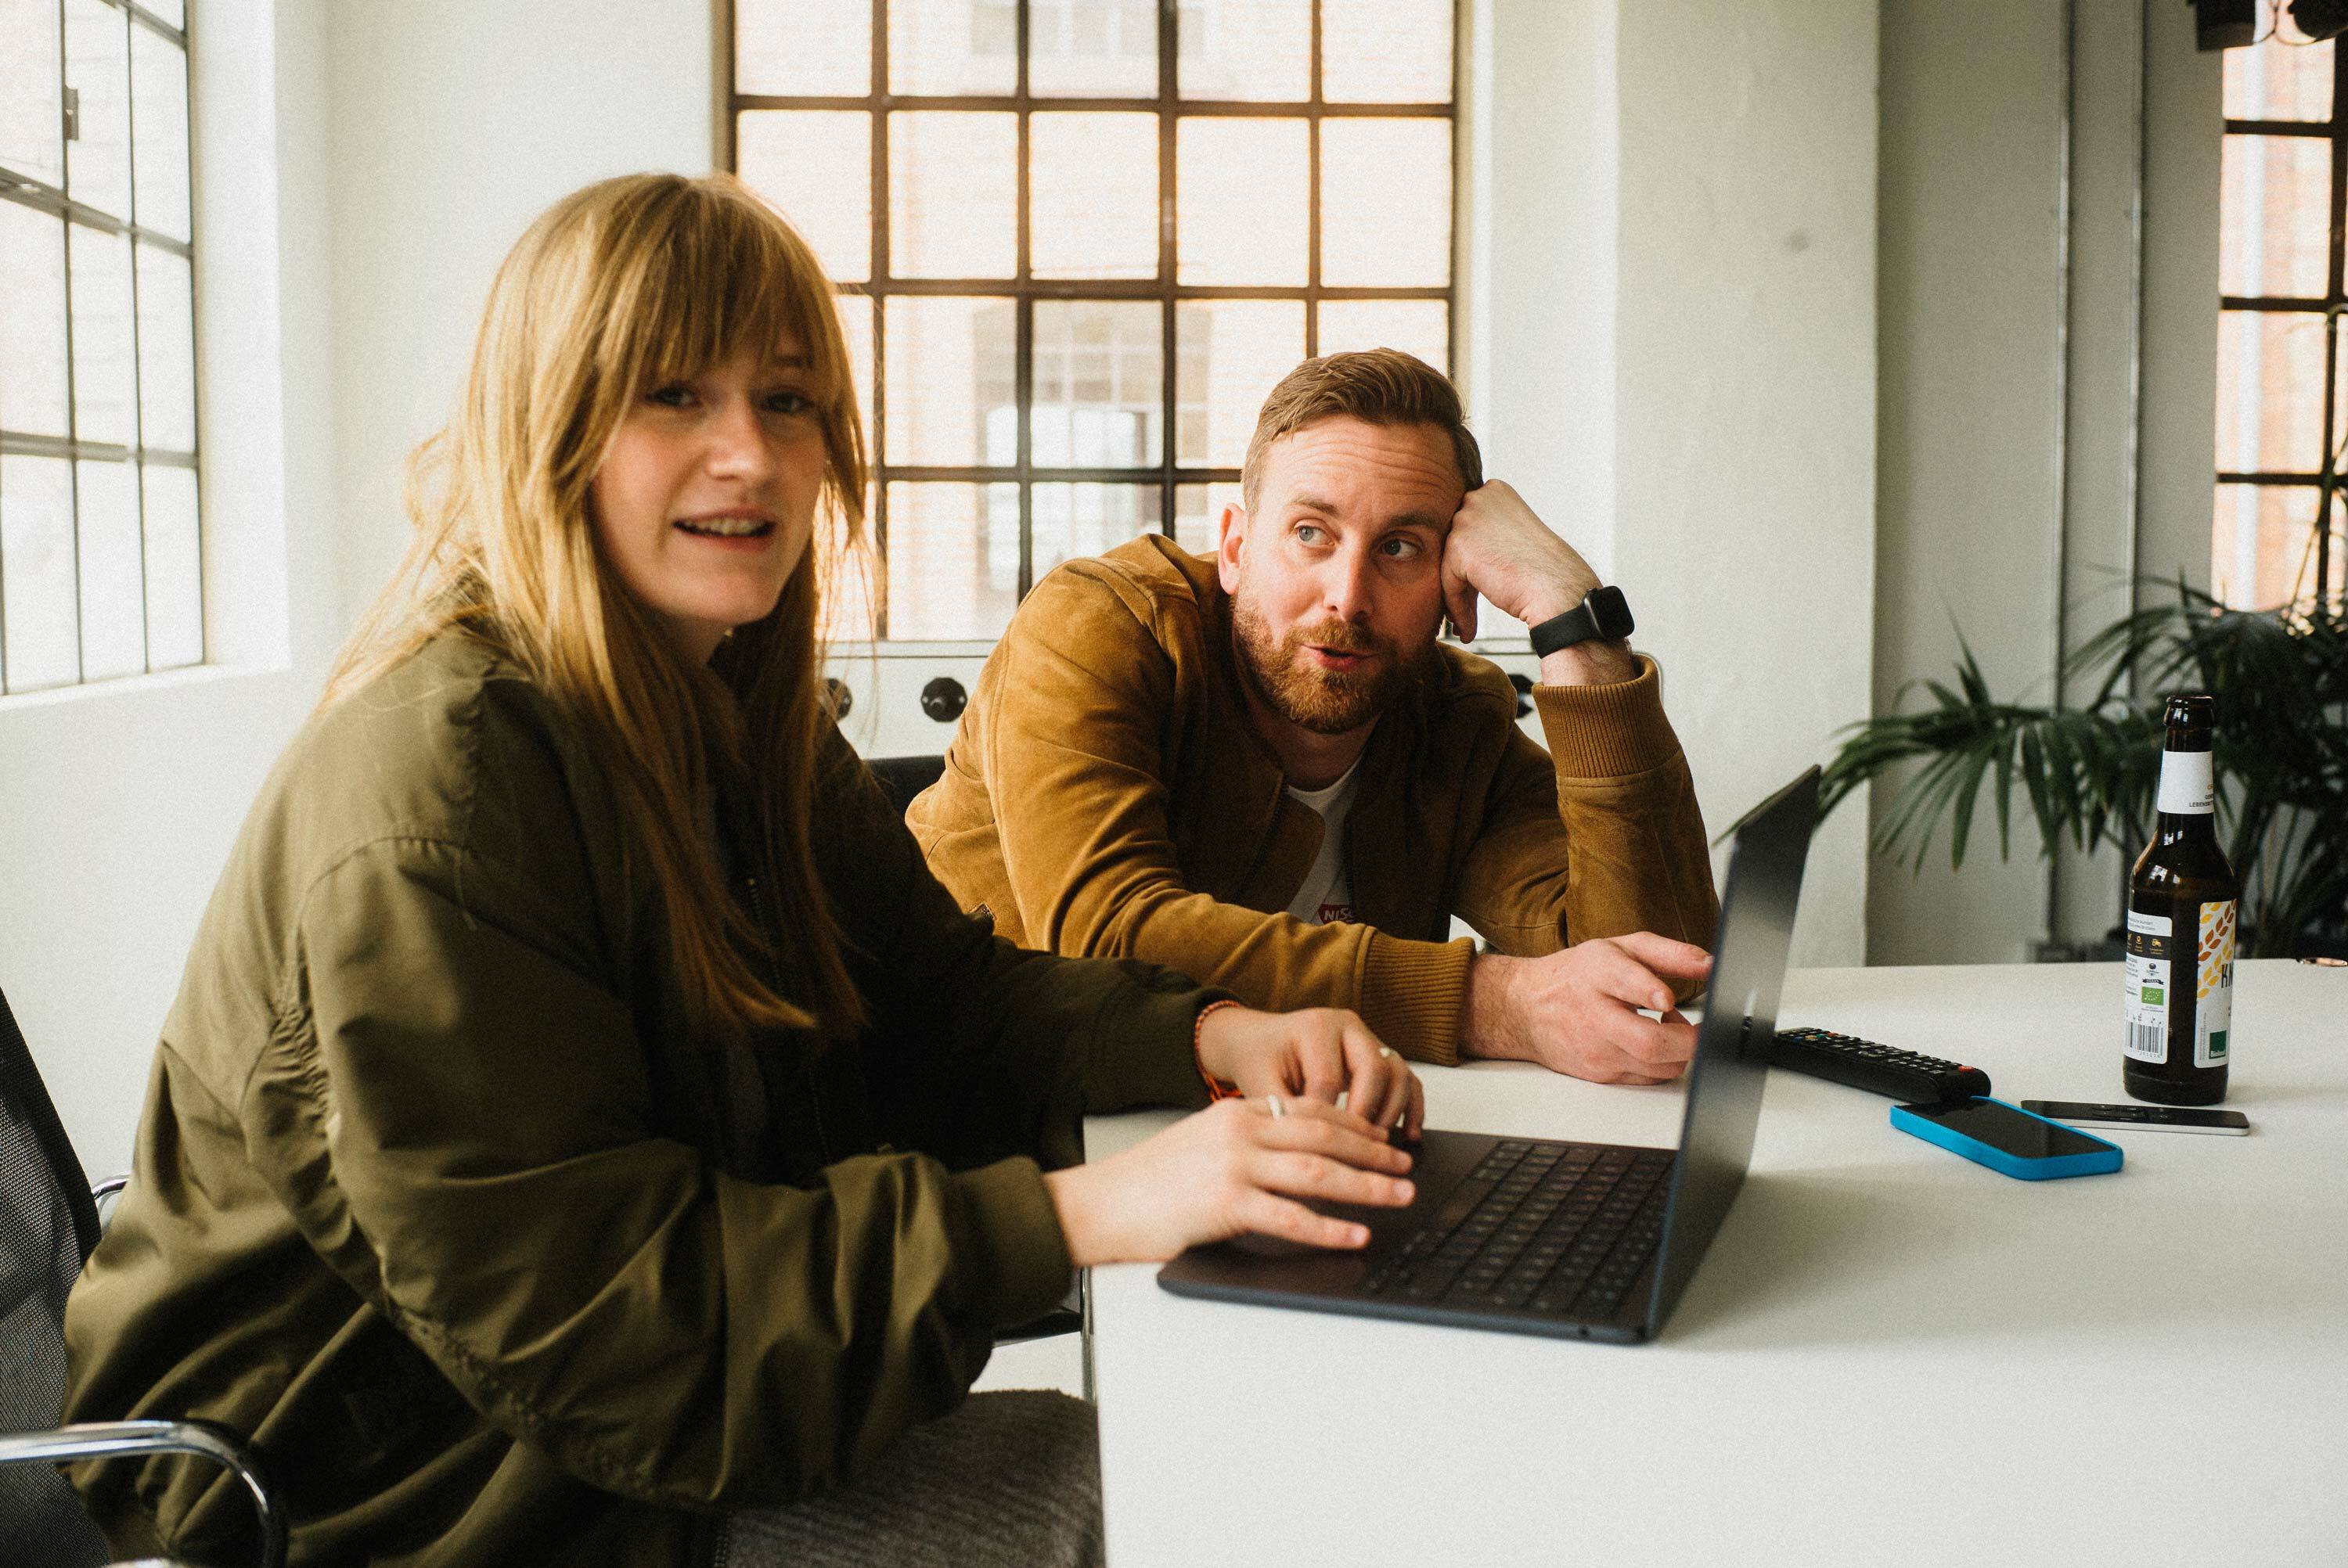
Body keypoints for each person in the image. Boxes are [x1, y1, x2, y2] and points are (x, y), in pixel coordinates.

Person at [60, 173, 1423, 1568]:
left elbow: (944, 1003)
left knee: (1196, 1459)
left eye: (786, 400)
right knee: (1138, 1506)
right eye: (672, 396)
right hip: (381, 1480)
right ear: (552, 422)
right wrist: (1087, 1208)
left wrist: (1206, 1030)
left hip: (573, 1404)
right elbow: (603, 1318)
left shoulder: (731, 705)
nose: (751, 457)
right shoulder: (447, 790)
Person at [907, 351, 1721, 1085]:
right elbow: (1109, 938)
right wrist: (1494, 1001)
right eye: (1310, 533)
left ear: (1454, 584)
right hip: (978, 1113)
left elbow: (1655, 966)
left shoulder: (1450, 716)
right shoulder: (1097, 627)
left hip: (1282, 1140)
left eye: (1401, 547)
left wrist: (1572, 619)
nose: (1347, 595)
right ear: (1233, 548)